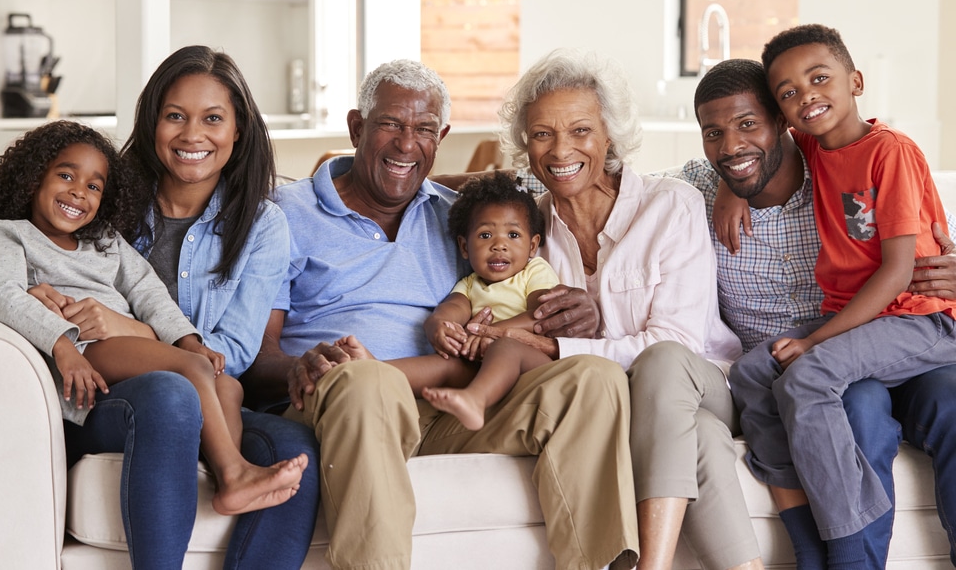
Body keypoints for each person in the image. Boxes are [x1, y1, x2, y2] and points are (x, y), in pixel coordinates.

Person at [240, 58, 639, 570]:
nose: (408, 144)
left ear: (441, 136)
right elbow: (254, 356)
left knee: (595, 377)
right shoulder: (284, 213)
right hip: (348, 400)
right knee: (367, 381)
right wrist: (300, 366)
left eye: (424, 129)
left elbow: (513, 269)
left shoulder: (457, 216)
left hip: (449, 406)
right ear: (357, 127)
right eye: (390, 124)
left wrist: (570, 308)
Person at [0, 46, 320, 569]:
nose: (193, 135)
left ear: (237, 131)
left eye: (213, 119)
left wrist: (140, 332)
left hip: (194, 379)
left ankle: (233, 469)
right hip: (98, 386)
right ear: (153, 123)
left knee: (292, 444)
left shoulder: (260, 225)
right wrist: (20, 293)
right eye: (175, 116)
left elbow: (231, 350)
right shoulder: (102, 193)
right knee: (172, 391)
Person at [467, 48, 762, 570]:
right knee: (705, 443)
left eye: (580, 131)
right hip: (623, 411)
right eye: (541, 134)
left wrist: (560, 346)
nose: (561, 150)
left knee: (666, 362)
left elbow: (677, 344)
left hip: (705, 384)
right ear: (525, 145)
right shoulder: (526, 233)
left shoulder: (670, 205)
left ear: (609, 136)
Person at [685, 57, 956, 568]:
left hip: (901, 336)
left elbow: (924, 235)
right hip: (827, 359)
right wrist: (731, 181)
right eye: (714, 133)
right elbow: (587, 186)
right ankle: (842, 558)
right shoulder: (699, 186)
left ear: (783, 125)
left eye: (748, 125)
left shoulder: (847, 162)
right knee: (858, 406)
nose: (732, 144)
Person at [419, 171, 560, 429]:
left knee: (505, 346)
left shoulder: (534, 271)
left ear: (532, 245)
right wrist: (438, 326)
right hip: (481, 365)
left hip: (532, 364)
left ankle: (475, 400)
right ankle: (374, 371)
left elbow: (541, 315)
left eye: (513, 235)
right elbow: (451, 309)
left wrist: (491, 333)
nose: (499, 245)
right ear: (464, 247)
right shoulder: (470, 284)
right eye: (485, 235)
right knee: (444, 363)